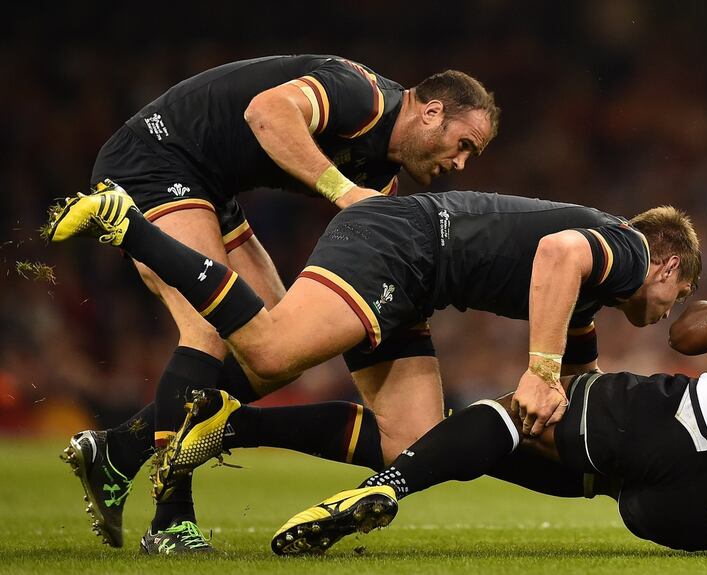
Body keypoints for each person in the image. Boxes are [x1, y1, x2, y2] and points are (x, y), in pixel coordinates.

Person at [46, 183, 701, 552]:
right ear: (669, 266)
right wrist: (543, 369)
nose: (673, 309)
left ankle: (199, 432)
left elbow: (577, 412)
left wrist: (607, 463)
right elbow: (559, 252)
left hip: (416, 275)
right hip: (403, 244)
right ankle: (133, 225)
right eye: (682, 294)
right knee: (271, 352)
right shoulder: (632, 249)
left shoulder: (591, 298)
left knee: (409, 442)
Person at [58, 54, 498, 553]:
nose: (460, 163)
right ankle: (169, 523)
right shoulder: (363, 97)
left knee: (271, 346)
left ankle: (120, 448)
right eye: (464, 145)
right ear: (432, 113)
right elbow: (266, 113)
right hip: (155, 158)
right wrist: (344, 192)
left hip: (208, 185)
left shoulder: (382, 175)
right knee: (207, 329)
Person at [269, 255, 707, 556]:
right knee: (579, 465)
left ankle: (388, 484)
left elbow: (688, 333)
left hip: (679, 424)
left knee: (526, 411)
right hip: (700, 520)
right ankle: (456, 449)